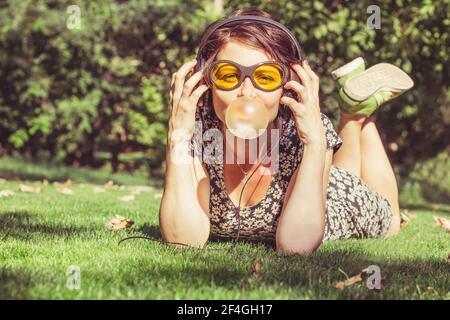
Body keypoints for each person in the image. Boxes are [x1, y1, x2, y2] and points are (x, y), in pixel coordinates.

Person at [159, 8, 413, 255]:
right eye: (228, 75)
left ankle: (358, 114)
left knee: (390, 221)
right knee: (340, 165)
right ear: (206, 80)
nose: (246, 93)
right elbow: (183, 241)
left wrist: (315, 144)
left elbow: (296, 246)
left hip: (333, 199)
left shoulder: (306, 132)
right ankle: (354, 106)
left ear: (288, 85)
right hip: (319, 177)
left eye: (266, 77)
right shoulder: (196, 131)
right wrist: (177, 137)